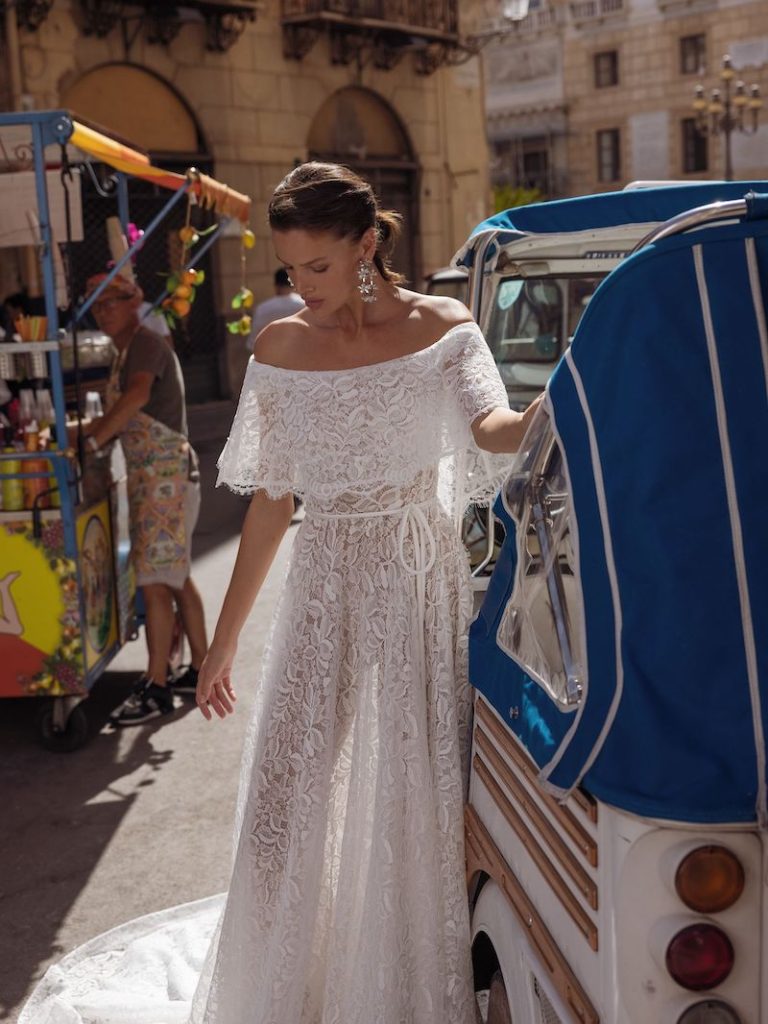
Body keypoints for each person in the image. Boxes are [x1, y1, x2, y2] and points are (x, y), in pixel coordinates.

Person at [18, 164, 543, 1023]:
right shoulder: (280, 349)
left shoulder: (447, 327)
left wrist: (547, 409)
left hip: (415, 584)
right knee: (284, 794)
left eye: (318, 268)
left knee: (407, 794)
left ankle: (391, 986)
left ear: (367, 244)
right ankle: (271, 984)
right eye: (291, 270)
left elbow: (491, 429)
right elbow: (270, 502)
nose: (300, 288)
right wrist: (220, 646)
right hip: (323, 583)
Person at [82, 272, 208, 725]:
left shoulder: (146, 344)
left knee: (156, 581)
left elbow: (136, 396)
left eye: (110, 301)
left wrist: (95, 441)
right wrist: (90, 433)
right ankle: (199, 668)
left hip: (165, 477)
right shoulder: (124, 351)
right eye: (96, 305)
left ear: (133, 301)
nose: (102, 310)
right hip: (151, 478)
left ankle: (157, 685)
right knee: (173, 577)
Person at [246, 265, 305, 350]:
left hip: (271, 356)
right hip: (301, 353)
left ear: (276, 285)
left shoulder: (263, 308)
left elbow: (253, 342)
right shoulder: (304, 304)